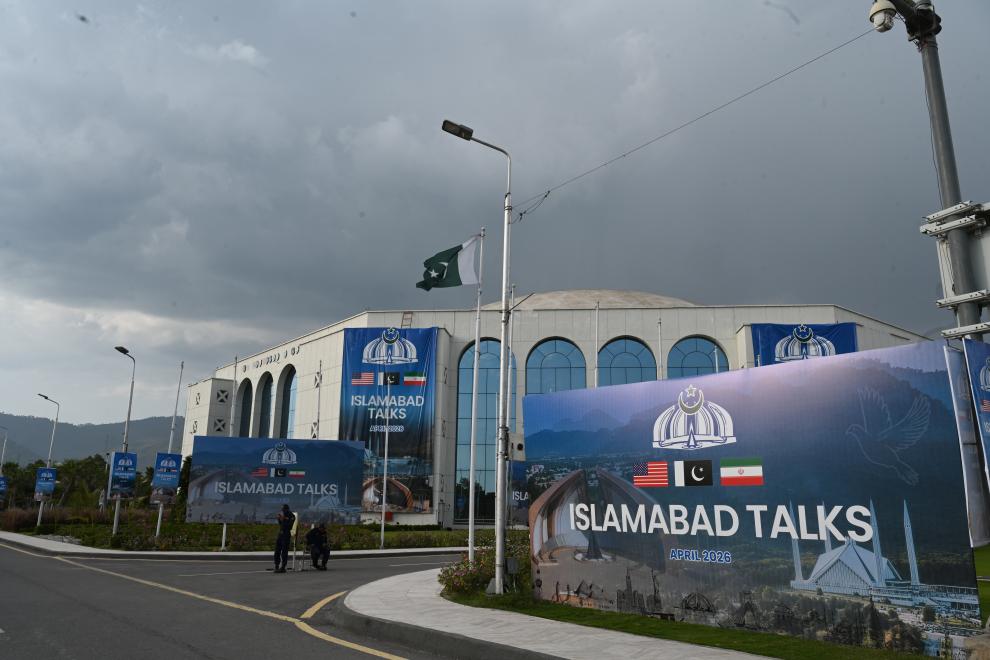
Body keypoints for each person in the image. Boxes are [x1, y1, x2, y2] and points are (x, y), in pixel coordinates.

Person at [273, 504, 295, 573]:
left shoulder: (291, 516)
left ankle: (283, 567)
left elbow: (289, 526)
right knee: (277, 550)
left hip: (286, 534)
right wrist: (279, 519)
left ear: (287, 509)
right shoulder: (282, 514)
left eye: (284, 510)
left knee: (284, 552)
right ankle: (276, 565)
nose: (283, 511)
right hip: (281, 533)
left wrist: (284, 519)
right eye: (282, 510)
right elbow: (281, 524)